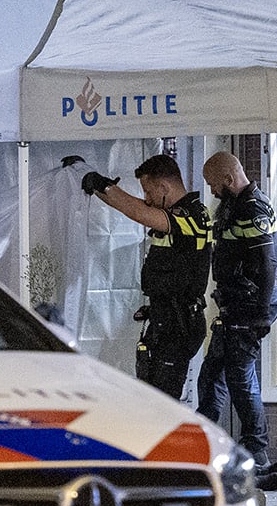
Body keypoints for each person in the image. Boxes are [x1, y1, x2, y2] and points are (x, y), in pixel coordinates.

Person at [195, 152, 277, 486]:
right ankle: (206, 446)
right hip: (233, 306)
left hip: (249, 308)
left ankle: (256, 452)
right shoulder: (231, 206)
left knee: (240, 380)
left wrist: (259, 315)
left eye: (214, 184)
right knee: (211, 376)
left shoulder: (254, 209)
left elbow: (267, 263)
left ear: (228, 179)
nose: (212, 191)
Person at [73, 153, 211, 400]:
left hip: (179, 323)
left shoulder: (194, 216)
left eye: (149, 191)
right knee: (150, 391)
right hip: (164, 318)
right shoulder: (175, 214)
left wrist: (103, 184)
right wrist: (91, 180)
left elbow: (138, 212)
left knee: (162, 400)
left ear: (164, 186)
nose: (146, 198)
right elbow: (132, 206)